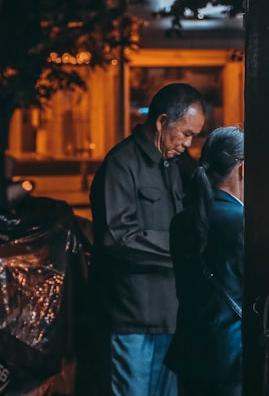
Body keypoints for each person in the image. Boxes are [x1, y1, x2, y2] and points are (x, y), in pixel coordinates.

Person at [81, 83, 207, 396]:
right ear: (163, 122)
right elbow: (117, 236)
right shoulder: (121, 164)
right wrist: (181, 247)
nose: (188, 143)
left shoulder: (175, 165)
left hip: (171, 316)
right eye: (186, 133)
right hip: (131, 317)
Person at [166, 126, 245, 396]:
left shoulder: (181, 221)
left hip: (191, 353)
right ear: (242, 169)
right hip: (233, 356)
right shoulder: (242, 221)